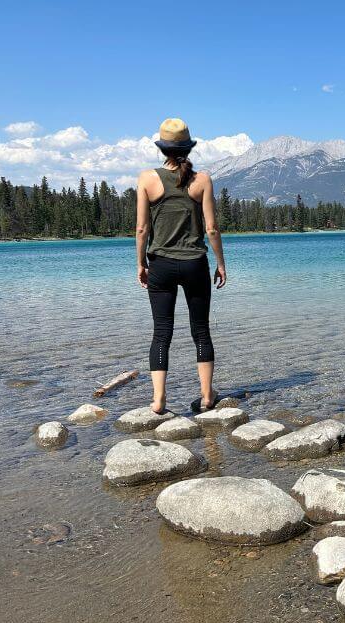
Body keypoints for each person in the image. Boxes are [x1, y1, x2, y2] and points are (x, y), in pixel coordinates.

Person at [135, 118, 227, 414]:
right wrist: (221, 264)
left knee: (162, 332)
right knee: (200, 330)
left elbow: (141, 229)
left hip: (160, 264)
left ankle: (159, 399)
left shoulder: (147, 179)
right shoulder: (202, 180)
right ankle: (206, 396)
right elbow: (211, 229)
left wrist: (140, 263)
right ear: (188, 147)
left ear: (163, 148)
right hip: (194, 265)